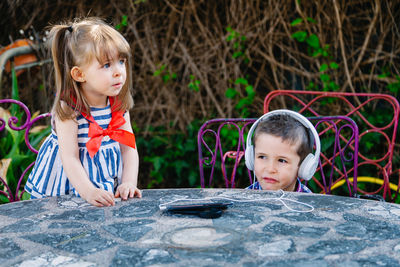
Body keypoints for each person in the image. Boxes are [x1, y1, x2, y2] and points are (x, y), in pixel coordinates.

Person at [25, 17, 141, 206]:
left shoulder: (118, 106)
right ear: (79, 74)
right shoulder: (69, 109)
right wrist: (88, 191)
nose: (119, 71)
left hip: (105, 190)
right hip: (67, 188)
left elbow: (129, 149)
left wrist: (128, 182)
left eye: (121, 61)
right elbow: (69, 158)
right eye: (106, 65)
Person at [244, 109, 321, 192]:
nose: (270, 169)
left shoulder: (308, 202)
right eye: (262, 157)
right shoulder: (244, 200)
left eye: (282, 160)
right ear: (251, 158)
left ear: (303, 166)